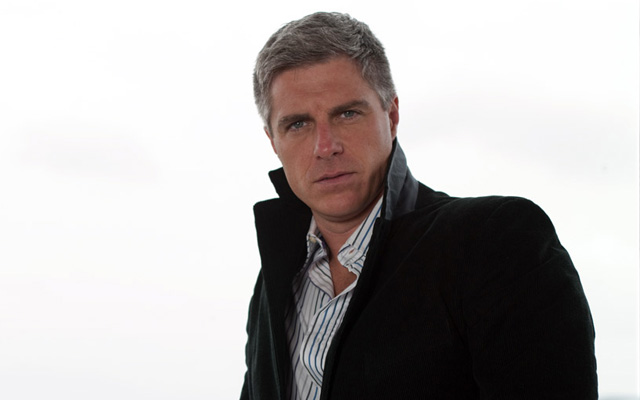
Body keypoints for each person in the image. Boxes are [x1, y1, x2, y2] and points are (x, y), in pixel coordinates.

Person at [241, 12, 597, 400]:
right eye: (298, 124)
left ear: (392, 116)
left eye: (347, 113)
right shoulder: (276, 282)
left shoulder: (495, 243)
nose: (325, 147)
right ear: (273, 141)